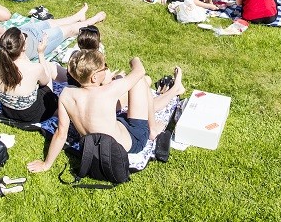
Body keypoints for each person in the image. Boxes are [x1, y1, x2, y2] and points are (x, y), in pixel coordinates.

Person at [27, 49, 184, 173]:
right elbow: (140, 71)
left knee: (128, 103)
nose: (106, 69)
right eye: (104, 67)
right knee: (140, 81)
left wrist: (46, 164)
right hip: (131, 142)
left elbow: (61, 134)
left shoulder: (66, 95)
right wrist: (134, 59)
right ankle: (157, 121)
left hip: (96, 146)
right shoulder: (109, 90)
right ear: (94, 77)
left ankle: (172, 92)